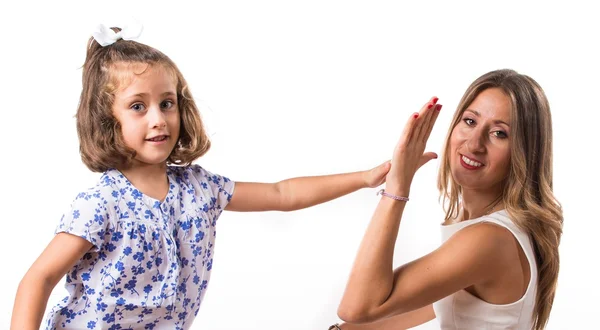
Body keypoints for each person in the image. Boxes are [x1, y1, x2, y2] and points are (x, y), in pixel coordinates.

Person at [10, 24, 391, 330]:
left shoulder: (199, 188)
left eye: (167, 103)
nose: (158, 118)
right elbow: (38, 280)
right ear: (109, 119)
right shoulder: (101, 204)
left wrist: (365, 177)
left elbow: (282, 194)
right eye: (138, 107)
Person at [330, 70, 563, 330]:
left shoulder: (489, 239)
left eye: (499, 133)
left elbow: (357, 307)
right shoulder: (490, 228)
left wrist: (397, 186)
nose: (474, 143)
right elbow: (431, 303)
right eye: (470, 121)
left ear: (525, 153)